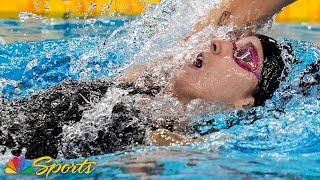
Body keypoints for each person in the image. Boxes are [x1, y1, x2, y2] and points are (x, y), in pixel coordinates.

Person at [0, 0, 298, 158]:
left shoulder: (178, 145)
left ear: (244, 104)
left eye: (245, 57)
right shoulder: (148, 78)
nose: (217, 44)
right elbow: (229, 16)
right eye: (230, 41)